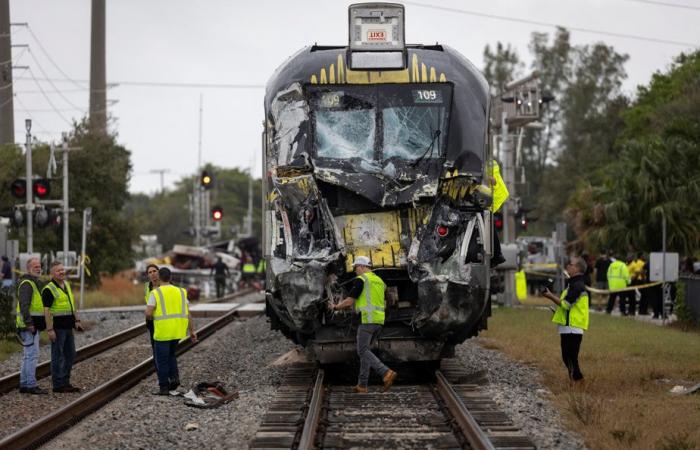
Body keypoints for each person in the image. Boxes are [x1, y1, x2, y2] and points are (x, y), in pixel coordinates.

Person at [328, 256, 397, 393]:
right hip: (379, 321)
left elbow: (349, 301)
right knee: (366, 352)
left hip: (367, 321)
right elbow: (389, 299)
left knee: (362, 350)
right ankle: (362, 385)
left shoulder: (362, 280)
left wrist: (335, 307)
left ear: (361, 266)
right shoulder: (379, 281)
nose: (355, 271)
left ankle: (386, 372)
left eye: (355, 268)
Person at [145, 267, 198, 395]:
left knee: (161, 360)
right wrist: (192, 331)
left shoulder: (155, 293)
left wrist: (151, 318)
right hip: (177, 331)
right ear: (170, 277)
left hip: (163, 332)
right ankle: (175, 380)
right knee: (171, 356)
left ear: (159, 277)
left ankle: (164, 387)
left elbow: (148, 312)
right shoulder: (181, 291)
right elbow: (188, 313)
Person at [542, 256, 589, 382]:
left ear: (578, 268)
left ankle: (579, 381)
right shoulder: (572, 284)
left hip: (573, 327)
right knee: (566, 357)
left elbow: (566, 304)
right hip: (567, 327)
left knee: (571, 357)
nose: (568, 266)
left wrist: (550, 296)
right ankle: (574, 381)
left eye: (571, 264)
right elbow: (565, 305)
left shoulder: (578, 285)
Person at [43, 261, 84, 393]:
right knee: (57, 355)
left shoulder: (66, 285)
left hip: (68, 326)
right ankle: (58, 384)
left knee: (70, 354)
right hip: (57, 328)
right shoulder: (49, 289)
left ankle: (65, 381)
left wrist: (77, 320)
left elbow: (72, 304)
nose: (61, 272)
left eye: (62, 270)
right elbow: (47, 311)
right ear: (52, 273)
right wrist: (49, 329)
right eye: (58, 270)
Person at [16, 258, 48, 394]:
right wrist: (29, 324)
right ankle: (30, 385)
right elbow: (24, 305)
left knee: (27, 355)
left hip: (31, 326)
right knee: (32, 355)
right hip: (29, 326)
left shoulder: (34, 283)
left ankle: (24, 384)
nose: (38, 268)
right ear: (28, 268)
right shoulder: (27, 284)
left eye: (39, 266)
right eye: (35, 266)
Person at [144, 264, 160, 361]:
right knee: (154, 347)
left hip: (163, 321)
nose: (152, 274)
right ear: (148, 275)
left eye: (154, 271)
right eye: (150, 272)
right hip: (151, 321)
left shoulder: (165, 285)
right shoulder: (146, 287)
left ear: (158, 272)